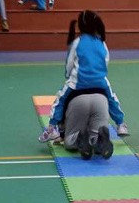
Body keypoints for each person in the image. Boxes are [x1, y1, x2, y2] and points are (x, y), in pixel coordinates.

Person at [39, 10, 128, 147]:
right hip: (100, 81)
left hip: (78, 82)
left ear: (80, 26)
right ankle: (121, 124)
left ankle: (52, 128)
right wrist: (98, 74)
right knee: (112, 99)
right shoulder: (102, 42)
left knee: (59, 100)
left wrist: (68, 76)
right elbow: (105, 61)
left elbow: (69, 65)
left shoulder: (76, 42)